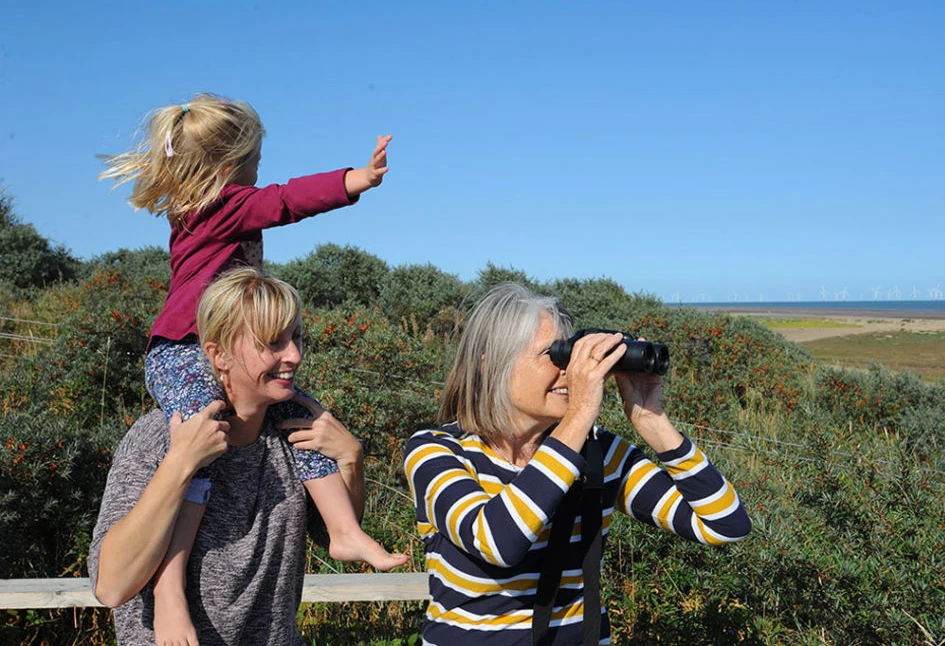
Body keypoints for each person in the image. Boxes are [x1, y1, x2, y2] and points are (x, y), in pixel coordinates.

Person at [99, 96, 407, 645]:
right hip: (181, 348)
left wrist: (352, 459)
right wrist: (356, 179)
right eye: (255, 160)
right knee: (198, 446)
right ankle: (170, 592)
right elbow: (284, 202)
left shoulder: (205, 211)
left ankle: (344, 531)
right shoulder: (219, 206)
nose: (260, 173)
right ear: (227, 166)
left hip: (208, 346)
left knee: (301, 415)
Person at [404, 283, 752, 645]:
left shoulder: (598, 454)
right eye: (556, 356)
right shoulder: (436, 451)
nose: (570, 372)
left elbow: (726, 525)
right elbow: (497, 541)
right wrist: (580, 414)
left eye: (572, 357)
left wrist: (652, 420)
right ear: (490, 362)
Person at [90, 268, 378, 644]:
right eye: (273, 342)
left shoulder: (295, 436)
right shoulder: (156, 436)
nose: (293, 355)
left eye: (297, 338)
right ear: (218, 354)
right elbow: (112, 587)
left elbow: (333, 537)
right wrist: (180, 463)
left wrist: (352, 461)